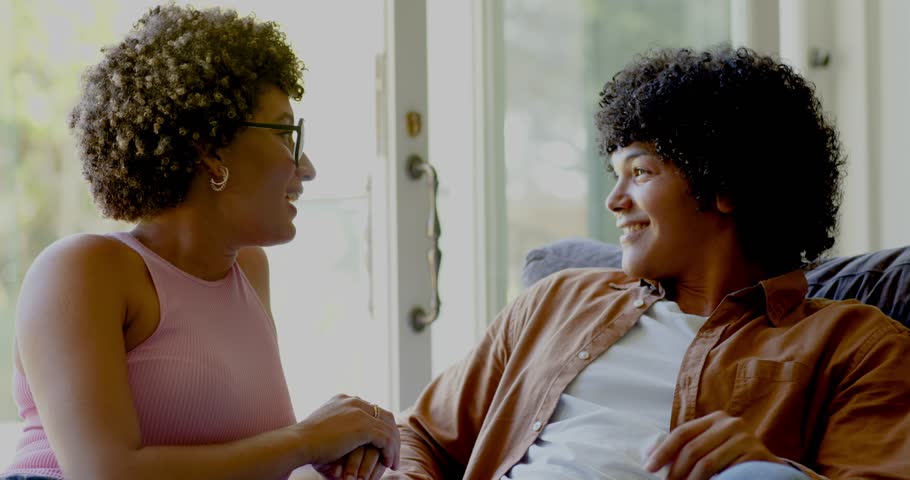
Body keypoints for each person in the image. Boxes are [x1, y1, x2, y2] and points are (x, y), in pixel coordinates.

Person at [386, 47, 910, 480]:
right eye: (615, 175)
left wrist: (768, 470)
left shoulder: (857, 347)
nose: (614, 200)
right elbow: (421, 434)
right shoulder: (556, 302)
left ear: (724, 184)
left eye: (640, 173)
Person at [3, 5, 398, 480]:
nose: (307, 168)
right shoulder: (84, 269)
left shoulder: (248, 269)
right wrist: (307, 440)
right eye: (285, 134)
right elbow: (105, 474)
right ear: (210, 150)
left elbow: (252, 458)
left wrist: (350, 442)